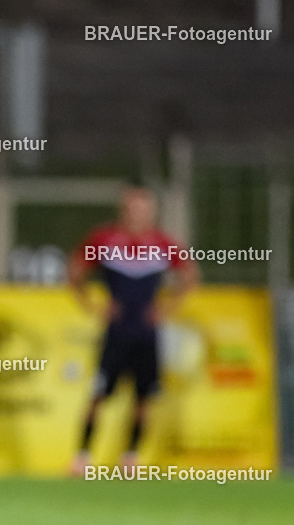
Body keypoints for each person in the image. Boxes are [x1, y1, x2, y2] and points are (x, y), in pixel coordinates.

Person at [68, 186, 198, 477]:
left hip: (146, 334)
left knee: (143, 398)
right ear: (123, 210)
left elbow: (189, 274)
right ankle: (82, 456)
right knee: (98, 394)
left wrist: (165, 309)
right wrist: (93, 306)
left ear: (151, 212)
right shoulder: (104, 240)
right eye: (133, 208)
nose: (138, 214)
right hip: (116, 332)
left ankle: (130, 458)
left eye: (144, 208)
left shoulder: (162, 243)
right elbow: (75, 272)